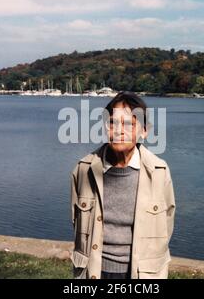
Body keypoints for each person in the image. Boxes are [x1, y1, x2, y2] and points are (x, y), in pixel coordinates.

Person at [70, 91, 176, 279]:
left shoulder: (159, 172)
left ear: (145, 130)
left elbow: (166, 224)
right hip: (94, 271)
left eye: (130, 124)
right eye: (112, 123)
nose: (119, 130)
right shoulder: (83, 169)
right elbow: (76, 222)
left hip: (142, 273)